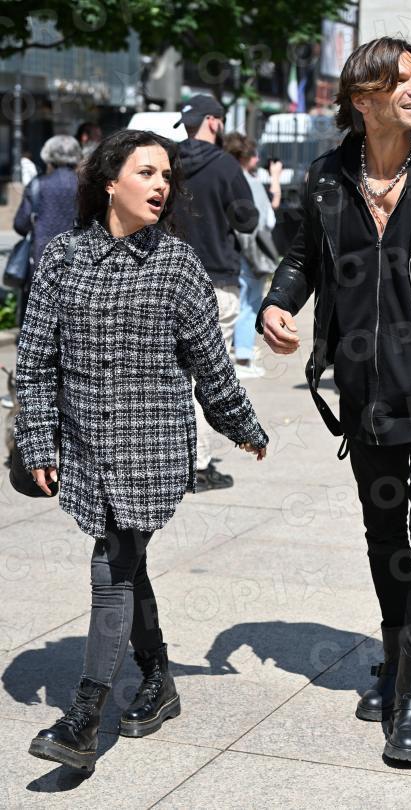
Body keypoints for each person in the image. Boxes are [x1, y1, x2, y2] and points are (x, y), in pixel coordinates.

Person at [258, 37, 411, 764]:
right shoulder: (327, 178)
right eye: (399, 81)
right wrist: (277, 303)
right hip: (365, 394)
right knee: (384, 539)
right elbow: (301, 257)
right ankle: (394, 664)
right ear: (362, 99)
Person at [15, 128, 268, 773]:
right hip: (84, 449)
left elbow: (210, 364)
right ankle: (158, 677)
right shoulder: (63, 258)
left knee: (112, 569)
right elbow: (36, 364)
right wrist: (38, 439)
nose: (161, 185)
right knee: (128, 565)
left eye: (166, 176)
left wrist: (242, 425)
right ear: (110, 181)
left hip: (151, 450)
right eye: (146, 172)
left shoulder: (178, 264)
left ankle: (83, 718)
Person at [173, 94, 259, 491]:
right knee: (208, 374)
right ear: (214, 121)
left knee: (172, 371)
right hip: (215, 278)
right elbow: (247, 220)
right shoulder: (225, 165)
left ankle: (172, 455)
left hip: (168, 277)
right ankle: (198, 463)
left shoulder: (167, 161)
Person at [224, 132, 282, 378]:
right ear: (244, 156)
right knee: (249, 304)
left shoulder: (223, 178)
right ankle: (244, 357)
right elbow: (268, 219)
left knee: (232, 304)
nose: (257, 159)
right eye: (253, 154)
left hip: (227, 250)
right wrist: (275, 178)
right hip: (251, 252)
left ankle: (235, 354)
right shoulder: (251, 182)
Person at [14, 134, 82, 327]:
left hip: (40, 262)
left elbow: (20, 224)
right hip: (78, 264)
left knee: (36, 326)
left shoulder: (37, 185)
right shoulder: (86, 187)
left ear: (48, 156)